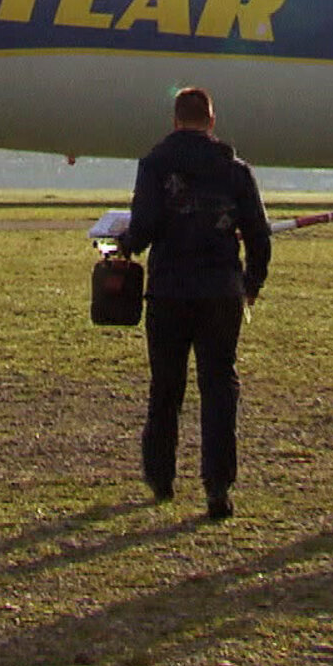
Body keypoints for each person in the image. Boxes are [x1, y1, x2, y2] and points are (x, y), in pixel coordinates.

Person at [118, 86, 272, 520]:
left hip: (169, 289)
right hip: (220, 289)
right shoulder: (235, 170)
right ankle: (218, 486)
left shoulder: (155, 164)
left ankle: (160, 476)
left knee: (166, 385)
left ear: (174, 120)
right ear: (211, 120)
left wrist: (125, 244)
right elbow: (258, 234)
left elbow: (145, 225)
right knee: (219, 386)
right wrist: (252, 281)